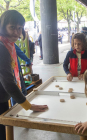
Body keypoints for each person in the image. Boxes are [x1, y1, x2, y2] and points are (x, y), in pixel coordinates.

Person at [0, 10, 48, 140]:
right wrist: (28, 105)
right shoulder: (2, 47)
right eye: (12, 27)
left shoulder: (8, 44)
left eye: (19, 28)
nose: (16, 32)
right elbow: (8, 82)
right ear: (2, 26)